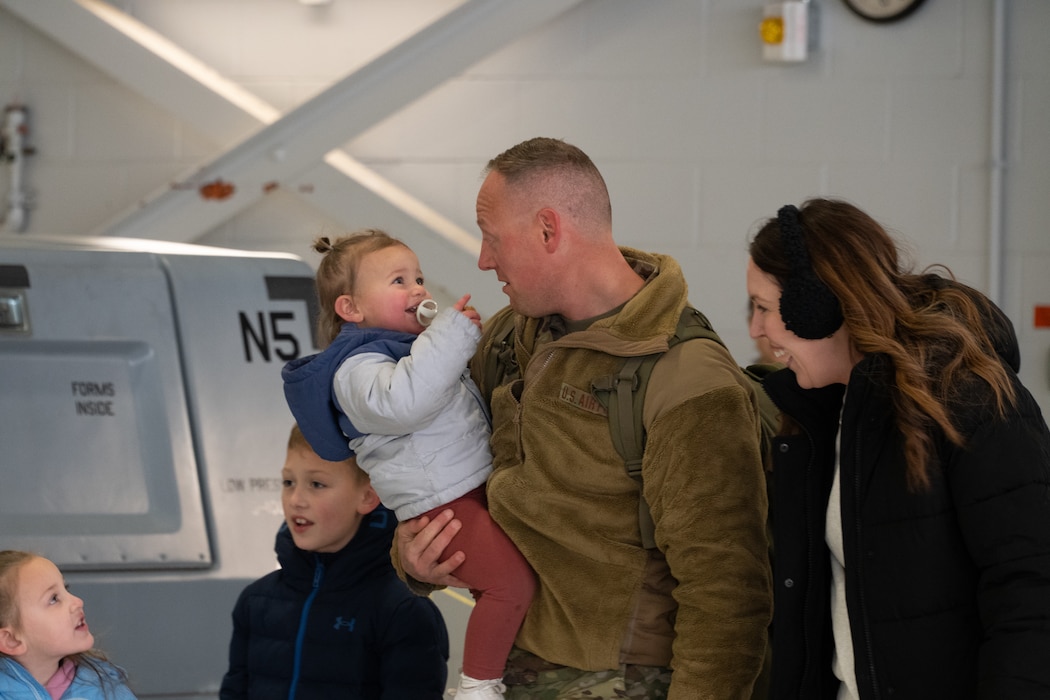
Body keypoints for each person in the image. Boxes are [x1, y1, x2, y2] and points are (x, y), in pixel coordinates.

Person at [398, 137, 773, 699]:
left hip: (624, 681)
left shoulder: (688, 379)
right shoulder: (507, 340)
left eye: (492, 238)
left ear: (549, 230)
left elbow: (726, 595)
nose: (483, 259)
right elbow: (431, 462)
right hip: (502, 668)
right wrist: (411, 556)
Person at [746, 197, 1050, 699]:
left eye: (763, 307)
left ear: (817, 306)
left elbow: (1031, 587)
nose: (756, 330)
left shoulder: (965, 398)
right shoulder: (822, 418)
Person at [281, 231, 536, 700]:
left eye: (418, 277)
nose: (418, 289)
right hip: (442, 500)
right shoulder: (355, 369)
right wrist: (453, 336)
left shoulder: (403, 353)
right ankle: (479, 688)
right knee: (509, 586)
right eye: (398, 280)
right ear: (350, 309)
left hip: (463, 486)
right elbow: (405, 403)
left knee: (499, 584)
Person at [219, 424, 450, 700]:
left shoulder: (403, 612)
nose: (295, 500)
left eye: (317, 484)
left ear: (367, 497)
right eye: (288, 482)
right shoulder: (255, 602)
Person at [0, 550, 137, 700]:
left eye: (66, 588)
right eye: (53, 599)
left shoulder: (106, 686)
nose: (77, 602)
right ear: (11, 640)